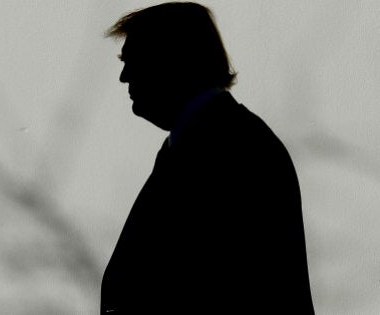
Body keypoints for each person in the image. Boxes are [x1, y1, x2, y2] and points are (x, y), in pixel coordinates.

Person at [101, 2, 315, 313]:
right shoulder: (209, 141)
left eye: (134, 60)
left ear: (173, 59)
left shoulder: (233, 148)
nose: (124, 76)